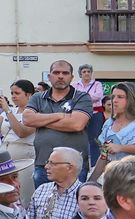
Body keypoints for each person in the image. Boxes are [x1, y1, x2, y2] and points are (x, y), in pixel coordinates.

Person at [21, 60, 93, 190]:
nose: (60, 76)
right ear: (49, 77)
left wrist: (41, 121)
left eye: (65, 73)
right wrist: (60, 115)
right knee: (42, 201)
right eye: (56, 73)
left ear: (71, 77)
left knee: (73, 202)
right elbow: (27, 119)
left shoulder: (82, 97)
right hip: (43, 165)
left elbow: (76, 124)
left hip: (73, 166)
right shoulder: (38, 97)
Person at [92, 82, 135, 177]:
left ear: (131, 99)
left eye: (120, 97)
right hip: (113, 177)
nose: (114, 100)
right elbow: (104, 155)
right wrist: (92, 180)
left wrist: (121, 147)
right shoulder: (109, 123)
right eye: (113, 97)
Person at [73, 63, 106, 165]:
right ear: (80, 74)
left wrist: (81, 98)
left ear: (91, 73)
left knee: (95, 140)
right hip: (79, 114)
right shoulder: (74, 85)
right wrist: (88, 97)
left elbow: (98, 96)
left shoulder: (97, 84)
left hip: (95, 114)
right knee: (79, 139)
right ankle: (81, 164)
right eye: (84, 72)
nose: (86, 73)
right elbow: (72, 97)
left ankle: (94, 165)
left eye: (88, 71)